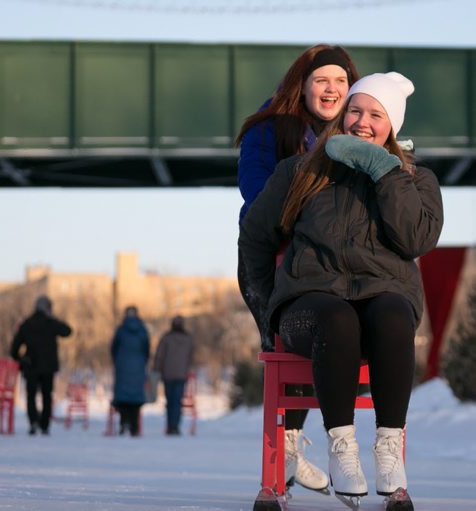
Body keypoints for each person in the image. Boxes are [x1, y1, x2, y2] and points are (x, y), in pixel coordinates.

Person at [238, 72, 443, 500]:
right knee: (336, 319)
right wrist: (264, 311)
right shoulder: (299, 171)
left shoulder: (415, 179)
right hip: (308, 308)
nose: (362, 122)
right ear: (342, 114)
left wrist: (385, 173)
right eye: (355, 110)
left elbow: (416, 239)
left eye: (376, 114)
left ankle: (389, 447)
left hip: (383, 305)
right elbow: (255, 238)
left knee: (390, 313)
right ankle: (341, 446)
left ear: (393, 126)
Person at [236, 44, 359, 492]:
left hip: (326, 263)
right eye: (322, 80)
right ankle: (283, 451)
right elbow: (257, 198)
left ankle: (289, 445)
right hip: (270, 261)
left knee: (323, 342)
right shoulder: (268, 129)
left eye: (341, 82)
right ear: (302, 84)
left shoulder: (357, 128)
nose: (332, 89)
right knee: (293, 351)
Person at [10, 295, 72, 435]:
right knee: (46, 396)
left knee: (31, 396)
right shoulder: (52, 323)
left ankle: (33, 422)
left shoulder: (27, 323)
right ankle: (44, 425)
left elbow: (14, 348)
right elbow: (68, 331)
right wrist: (53, 318)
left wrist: (21, 360)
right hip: (48, 367)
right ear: (49, 309)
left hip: (31, 365)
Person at [110, 305, 150, 437]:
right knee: (136, 398)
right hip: (138, 366)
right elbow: (146, 349)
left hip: (122, 365)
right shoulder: (142, 330)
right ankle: (134, 427)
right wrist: (142, 362)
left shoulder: (121, 330)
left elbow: (114, 348)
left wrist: (118, 361)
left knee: (123, 397)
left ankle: (123, 423)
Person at [153, 315, 193, 436]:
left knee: (170, 401)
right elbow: (191, 357)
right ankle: (175, 426)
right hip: (181, 374)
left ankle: (170, 425)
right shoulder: (188, 339)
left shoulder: (166, 338)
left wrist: (156, 369)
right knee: (177, 401)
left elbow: (159, 355)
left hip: (168, 374)